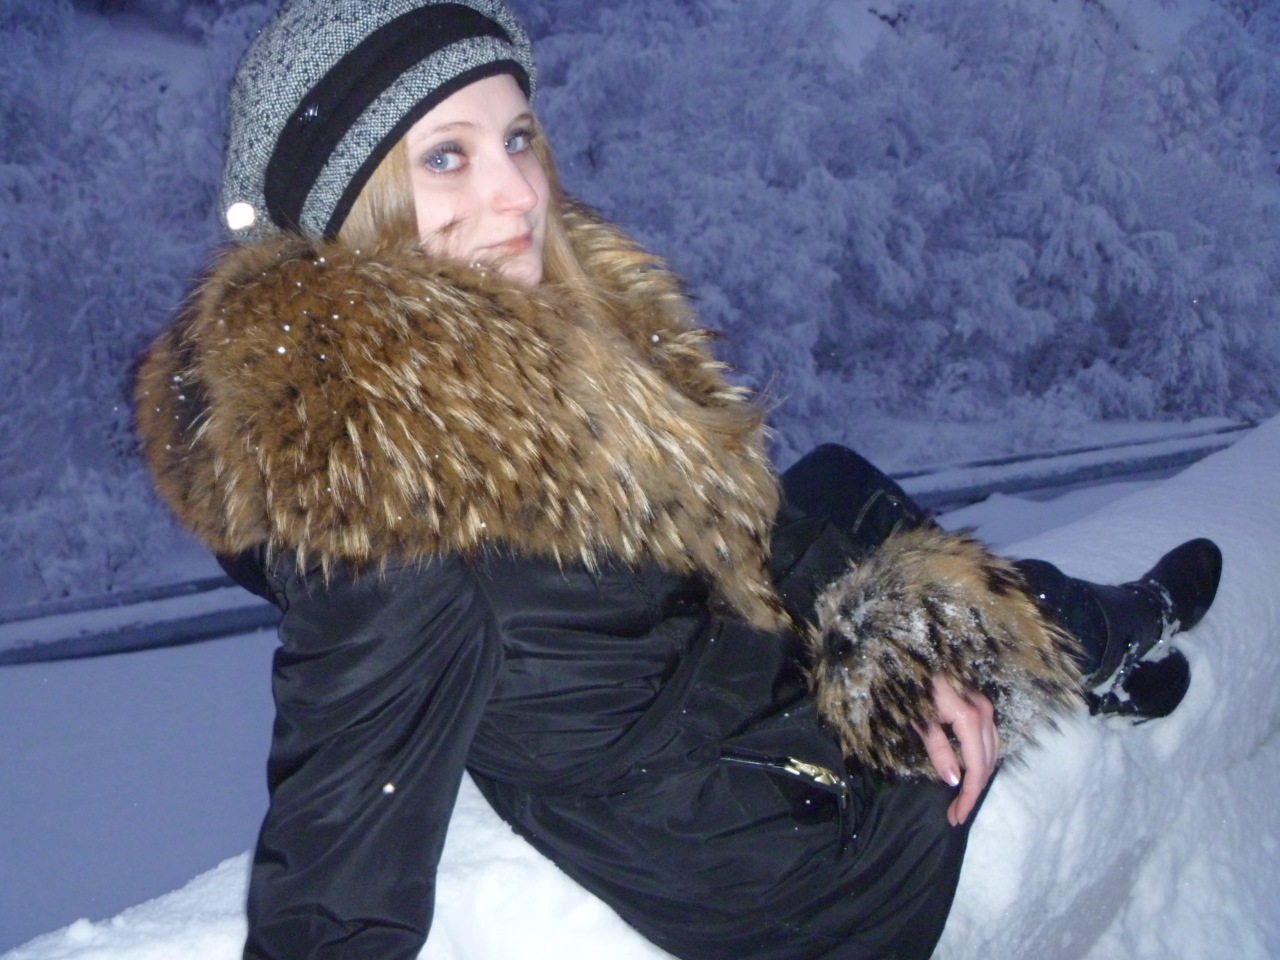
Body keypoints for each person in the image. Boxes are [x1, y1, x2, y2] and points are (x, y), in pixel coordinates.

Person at [132, 2, 1222, 957]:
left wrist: (906, 636)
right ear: (349, 211)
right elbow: (333, 880)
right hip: (790, 858)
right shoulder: (391, 512)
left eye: (517, 137)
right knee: (851, 520)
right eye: (446, 158)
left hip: (716, 697)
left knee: (832, 490)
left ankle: (1080, 644)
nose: (519, 192)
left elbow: (726, 533)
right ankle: (1099, 637)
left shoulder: (499, 352)